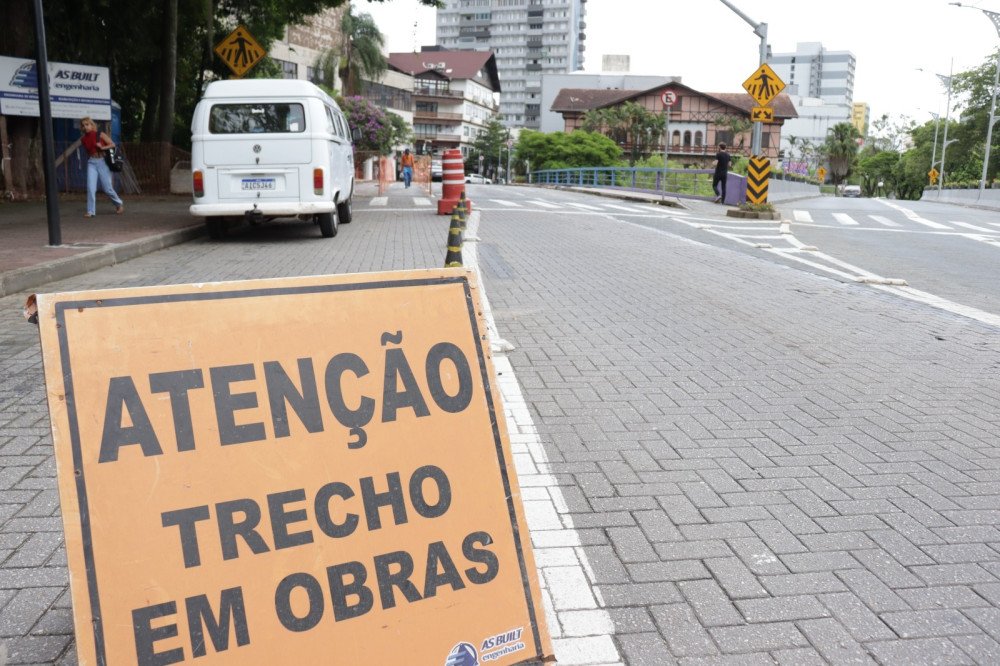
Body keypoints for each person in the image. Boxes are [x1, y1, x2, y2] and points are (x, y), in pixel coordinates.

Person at [79, 117, 124, 218]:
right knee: (91, 188)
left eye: (87, 124)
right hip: (91, 163)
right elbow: (88, 151)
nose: (85, 127)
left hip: (102, 162)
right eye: (83, 125)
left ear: (92, 125)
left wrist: (102, 147)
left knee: (107, 188)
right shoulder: (83, 139)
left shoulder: (100, 134)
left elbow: (112, 144)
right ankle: (91, 211)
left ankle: (118, 204)